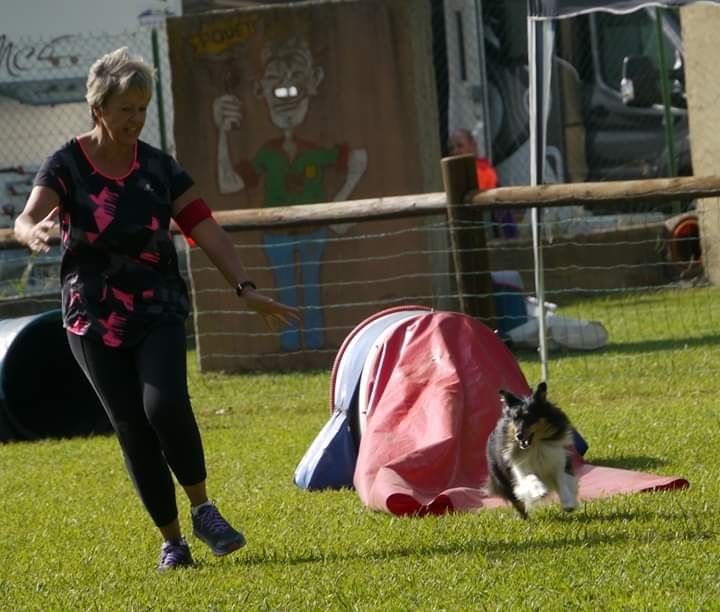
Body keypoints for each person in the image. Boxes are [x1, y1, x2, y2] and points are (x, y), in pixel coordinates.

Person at [13, 47, 300, 571]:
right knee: (130, 425)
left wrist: (244, 286)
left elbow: (204, 226)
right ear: (99, 108)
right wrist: (34, 231)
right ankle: (173, 541)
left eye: (142, 108)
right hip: (91, 315)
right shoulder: (67, 163)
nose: (136, 119)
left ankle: (204, 510)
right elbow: (28, 216)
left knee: (163, 406)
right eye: (126, 109)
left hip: (157, 305)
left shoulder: (158, 168)